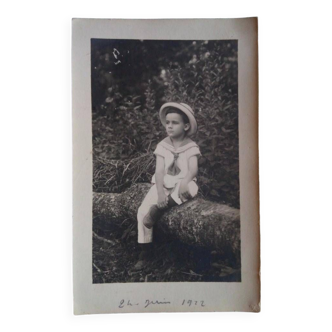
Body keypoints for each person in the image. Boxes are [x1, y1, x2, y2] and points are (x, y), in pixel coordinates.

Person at [134, 102, 201, 270]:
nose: (169, 126)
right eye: (168, 122)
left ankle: (160, 209)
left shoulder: (191, 147)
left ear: (186, 126)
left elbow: (193, 169)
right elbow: (159, 172)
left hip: (181, 183)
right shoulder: (162, 146)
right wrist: (160, 193)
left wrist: (185, 181)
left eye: (175, 122)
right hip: (163, 183)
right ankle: (145, 252)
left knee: (192, 189)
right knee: (142, 211)